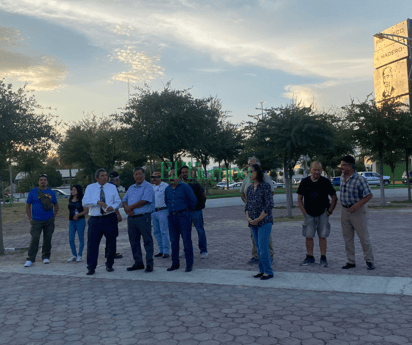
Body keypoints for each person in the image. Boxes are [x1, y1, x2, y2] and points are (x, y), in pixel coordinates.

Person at [297, 162, 337, 267]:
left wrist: (329, 211)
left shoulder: (325, 182)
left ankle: (323, 257)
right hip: (309, 214)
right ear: (310, 170)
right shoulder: (305, 182)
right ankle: (310, 257)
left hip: (323, 213)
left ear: (321, 170)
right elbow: (299, 198)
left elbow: (334, 197)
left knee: (322, 236)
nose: (317, 172)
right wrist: (304, 212)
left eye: (319, 170)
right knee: (308, 236)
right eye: (314, 170)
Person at [82, 168, 122, 275]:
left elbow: (118, 201)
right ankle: (91, 267)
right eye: (102, 175)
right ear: (96, 177)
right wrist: (97, 202)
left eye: (106, 175)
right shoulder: (90, 187)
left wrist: (112, 207)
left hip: (109, 218)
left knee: (111, 242)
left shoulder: (112, 187)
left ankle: (109, 264)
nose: (105, 177)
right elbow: (85, 202)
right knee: (92, 244)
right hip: (95, 219)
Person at [340, 155, 375, 270]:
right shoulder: (341, 177)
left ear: (350, 166)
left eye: (343, 165)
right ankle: (350, 261)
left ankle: (369, 260)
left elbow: (369, 195)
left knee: (363, 237)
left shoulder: (360, 179)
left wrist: (357, 205)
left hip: (358, 212)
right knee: (347, 237)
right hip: (345, 211)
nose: (341, 167)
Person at [240, 156, 275, 265]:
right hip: (252, 214)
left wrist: (261, 213)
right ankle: (256, 256)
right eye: (249, 165)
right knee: (254, 237)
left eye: (253, 165)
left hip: (263, 216)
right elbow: (242, 192)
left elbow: (270, 196)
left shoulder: (265, 178)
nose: (250, 167)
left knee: (265, 237)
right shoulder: (247, 178)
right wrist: (248, 204)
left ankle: (269, 257)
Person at [123, 167, 155, 273]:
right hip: (132, 218)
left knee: (147, 241)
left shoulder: (148, 186)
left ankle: (149, 264)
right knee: (134, 241)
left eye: (139, 174)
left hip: (143, 217)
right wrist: (127, 209)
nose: (137, 176)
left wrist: (130, 208)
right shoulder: (131, 187)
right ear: (133, 176)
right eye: (135, 174)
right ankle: (138, 263)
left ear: (144, 175)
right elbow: (124, 200)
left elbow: (144, 201)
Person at [165, 169, 197, 272]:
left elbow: (193, 201)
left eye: (173, 175)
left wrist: (186, 212)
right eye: (169, 176)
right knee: (173, 241)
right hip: (172, 217)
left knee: (186, 240)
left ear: (178, 177)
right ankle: (175, 263)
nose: (171, 178)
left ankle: (189, 264)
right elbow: (167, 202)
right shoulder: (167, 189)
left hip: (183, 216)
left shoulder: (185, 187)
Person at [24, 174, 59, 267]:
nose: (43, 181)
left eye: (44, 180)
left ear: (47, 182)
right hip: (36, 220)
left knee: (48, 239)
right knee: (35, 238)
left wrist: (53, 216)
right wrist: (30, 218)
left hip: (49, 220)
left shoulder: (51, 192)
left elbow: (56, 205)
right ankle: (30, 259)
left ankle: (45, 257)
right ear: (38, 182)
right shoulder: (33, 192)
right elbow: (27, 205)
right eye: (41, 180)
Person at [179, 166, 208, 259]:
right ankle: (187, 250)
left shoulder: (195, 183)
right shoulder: (179, 184)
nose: (184, 174)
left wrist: (199, 206)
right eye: (182, 172)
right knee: (185, 233)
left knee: (200, 231)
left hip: (196, 211)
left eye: (186, 172)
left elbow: (203, 195)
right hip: (184, 212)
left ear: (190, 173)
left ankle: (203, 250)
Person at [151, 171, 170, 259]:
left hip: (163, 210)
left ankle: (166, 251)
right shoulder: (151, 187)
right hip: (154, 212)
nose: (154, 179)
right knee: (156, 232)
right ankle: (161, 250)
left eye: (156, 177)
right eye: (153, 177)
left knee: (164, 231)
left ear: (160, 177)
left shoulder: (165, 186)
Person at [67, 185, 88, 262]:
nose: (72, 191)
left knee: (80, 238)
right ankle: (74, 254)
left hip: (80, 221)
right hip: (71, 221)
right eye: (72, 189)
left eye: (74, 190)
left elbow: (86, 211)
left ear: (78, 191)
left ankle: (80, 255)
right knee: (71, 239)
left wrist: (78, 215)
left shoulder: (82, 200)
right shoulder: (70, 199)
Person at [105, 171, 123, 259]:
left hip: (105, 214)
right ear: (117, 179)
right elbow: (115, 203)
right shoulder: (114, 188)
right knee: (113, 234)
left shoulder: (106, 186)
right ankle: (112, 252)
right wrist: (118, 214)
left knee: (108, 234)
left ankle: (107, 251)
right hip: (112, 214)